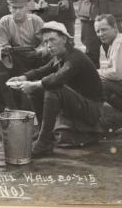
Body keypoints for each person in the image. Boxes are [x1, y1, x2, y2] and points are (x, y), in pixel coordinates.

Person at [8, 21, 103, 157]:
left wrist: (33, 84)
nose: (49, 45)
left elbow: (57, 78)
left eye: (52, 40)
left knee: (53, 89)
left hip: (92, 110)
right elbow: (41, 71)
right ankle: (43, 133)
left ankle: (44, 143)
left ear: (64, 38)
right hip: (79, 104)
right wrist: (23, 77)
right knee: (38, 88)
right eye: (45, 42)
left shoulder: (75, 57)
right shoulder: (59, 57)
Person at [0, 0, 45, 119]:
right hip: (15, 59)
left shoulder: (36, 21)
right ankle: (4, 105)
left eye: (21, 8)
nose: (17, 11)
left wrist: (38, 51)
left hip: (35, 59)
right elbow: (1, 44)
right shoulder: (5, 21)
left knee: (27, 106)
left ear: (27, 7)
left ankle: (24, 106)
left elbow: (46, 44)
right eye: (14, 8)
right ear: (9, 8)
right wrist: (5, 50)